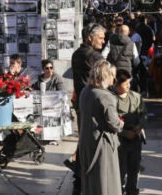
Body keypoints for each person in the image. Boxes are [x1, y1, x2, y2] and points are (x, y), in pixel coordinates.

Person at [68, 23, 106, 194]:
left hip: (82, 103)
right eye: (100, 38)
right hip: (92, 104)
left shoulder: (78, 53)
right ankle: (83, 176)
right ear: (90, 38)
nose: (103, 41)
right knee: (90, 141)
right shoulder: (91, 55)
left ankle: (79, 176)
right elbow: (107, 75)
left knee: (84, 140)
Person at [78, 60, 123, 195]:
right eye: (112, 75)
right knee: (106, 182)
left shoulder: (85, 91)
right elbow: (114, 124)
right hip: (102, 145)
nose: (114, 79)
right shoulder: (106, 96)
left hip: (87, 142)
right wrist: (121, 123)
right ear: (105, 75)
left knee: (91, 183)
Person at [113, 69, 147, 195]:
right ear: (116, 85)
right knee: (120, 169)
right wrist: (124, 133)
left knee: (134, 168)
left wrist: (140, 126)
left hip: (135, 138)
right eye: (125, 83)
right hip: (119, 140)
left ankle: (132, 190)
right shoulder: (111, 99)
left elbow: (144, 114)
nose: (128, 86)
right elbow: (110, 121)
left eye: (129, 83)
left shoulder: (136, 97)